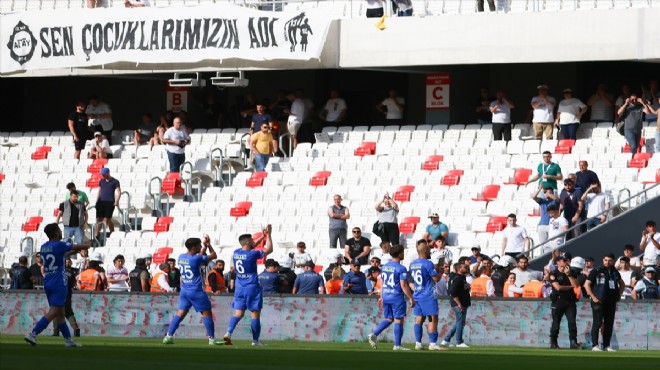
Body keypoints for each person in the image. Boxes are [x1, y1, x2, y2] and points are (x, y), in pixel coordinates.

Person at [24, 223, 89, 347]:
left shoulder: (44, 247)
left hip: (48, 281)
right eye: (59, 230)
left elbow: (61, 254)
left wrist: (73, 250)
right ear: (55, 233)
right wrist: (87, 245)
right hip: (59, 282)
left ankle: (68, 340)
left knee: (60, 313)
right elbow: (74, 246)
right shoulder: (59, 245)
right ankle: (33, 334)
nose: (61, 232)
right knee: (54, 311)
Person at [163, 235, 223, 345]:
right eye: (200, 245)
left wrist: (203, 247)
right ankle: (212, 339)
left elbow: (199, 256)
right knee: (207, 313)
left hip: (185, 290)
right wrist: (208, 245)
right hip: (196, 291)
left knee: (180, 314)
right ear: (194, 247)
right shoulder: (196, 258)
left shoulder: (181, 257)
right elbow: (214, 255)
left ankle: (168, 336)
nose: (201, 246)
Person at [224, 225, 273, 346]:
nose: (253, 241)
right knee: (255, 314)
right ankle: (255, 341)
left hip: (239, 287)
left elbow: (251, 246)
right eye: (252, 240)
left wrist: (262, 236)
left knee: (238, 313)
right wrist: (269, 235)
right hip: (251, 286)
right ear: (247, 242)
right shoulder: (252, 254)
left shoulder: (236, 253)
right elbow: (269, 250)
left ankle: (228, 333)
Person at [367, 244, 415, 351]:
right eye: (402, 252)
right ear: (399, 254)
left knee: (389, 318)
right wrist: (411, 297)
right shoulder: (401, 268)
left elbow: (383, 283)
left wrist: (381, 296)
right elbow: (403, 285)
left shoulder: (384, 267)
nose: (403, 254)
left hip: (386, 296)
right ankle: (397, 345)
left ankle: (374, 334)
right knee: (399, 320)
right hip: (396, 296)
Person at [584, 253, 625, 352]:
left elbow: (622, 284)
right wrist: (593, 297)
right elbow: (587, 284)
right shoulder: (597, 271)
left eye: (610, 260)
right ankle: (595, 345)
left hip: (611, 301)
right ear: (603, 260)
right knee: (597, 323)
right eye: (606, 260)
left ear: (613, 261)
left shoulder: (615, 272)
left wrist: (619, 295)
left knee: (609, 324)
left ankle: (606, 345)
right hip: (599, 301)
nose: (607, 262)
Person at [409, 241, 444, 351]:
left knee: (419, 318)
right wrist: (441, 271)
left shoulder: (412, 264)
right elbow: (436, 279)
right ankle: (433, 344)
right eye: (428, 249)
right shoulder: (428, 263)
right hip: (428, 294)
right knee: (433, 318)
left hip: (417, 294)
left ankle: (418, 343)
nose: (430, 251)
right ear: (424, 251)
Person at [548, 255, 580, 349]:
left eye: (566, 260)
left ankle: (573, 342)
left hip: (570, 301)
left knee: (572, 322)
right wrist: (571, 287)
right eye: (562, 261)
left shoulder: (571, 272)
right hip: (558, 300)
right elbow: (558, 287)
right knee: (556, 322)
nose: (565, 262)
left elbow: (577, 285)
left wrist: (569, 275)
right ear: (558, 262)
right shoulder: (554, 274)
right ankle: (553, 342)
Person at [440, 262, 470, 348]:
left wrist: (467, 287)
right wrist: (459, 304)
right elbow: (452, 292)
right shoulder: (458, 278)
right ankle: (459, 342)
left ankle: (446, 340)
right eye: (465, 267)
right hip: (459, 304)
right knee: (460, 322)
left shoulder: (459, 277)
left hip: (461, 303)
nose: (467, 268)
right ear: (459, 269)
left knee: (459, 322)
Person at [53, 257, 81, 337]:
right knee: (68, 312)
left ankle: (56, 332)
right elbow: (72, 284)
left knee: (55, 313)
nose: (68, 263)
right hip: (67, 294)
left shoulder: (57, 271)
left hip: (58, 294)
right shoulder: (72, 273)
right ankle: (76, 328)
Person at [617, 93, 652, 157]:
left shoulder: (640, 107)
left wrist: (643, 103)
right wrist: (626, 103)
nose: (634, 101)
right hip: (628, 129)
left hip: (638, 130)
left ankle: (633, 157)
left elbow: (648, 112)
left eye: (636, 99)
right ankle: (632, 158)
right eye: (632, 100)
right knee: (633, 145)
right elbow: (619, 112)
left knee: (635, 146)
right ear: (630, 99)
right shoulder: (627, 107)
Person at [95, 168, 121, 240]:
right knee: (100, 219)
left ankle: (108, 233)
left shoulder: (115, 181)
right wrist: (97, 201)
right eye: (102, 174)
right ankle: (97, 235)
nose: (103, 175)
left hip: (110, 202)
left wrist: (117, 200)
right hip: (101, 202)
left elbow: (119, 191)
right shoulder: (101, 181)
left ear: (108, 173)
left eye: (104, 174)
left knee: (107, 219)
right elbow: (99, 191)